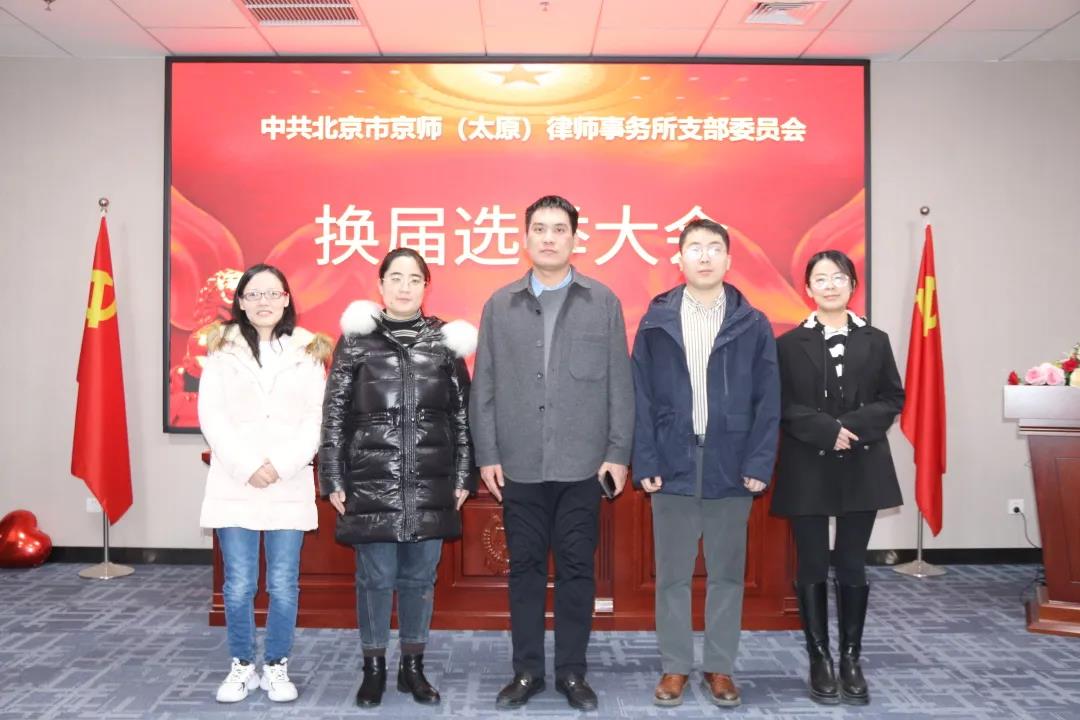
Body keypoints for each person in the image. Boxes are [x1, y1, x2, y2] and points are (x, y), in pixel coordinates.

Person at [470, 194, 634, 711]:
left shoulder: (602, 301)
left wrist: (618, 452)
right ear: (525, 238)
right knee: (524, 570)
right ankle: (526, 672)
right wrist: (487, 454)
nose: (548, 237)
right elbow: (484, 386)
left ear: (574, 238)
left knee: (577, 570)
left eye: (558, 229)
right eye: (539, 228)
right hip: (519, 464)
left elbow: (620, 384)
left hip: (583, 465)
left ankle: (571, 672)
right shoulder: (500, 305)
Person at [631, 218, 780, 708]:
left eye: (714, 248)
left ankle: (720, 666)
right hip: (671, 459)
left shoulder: (752, 323)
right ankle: (675, 666)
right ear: (678, 258)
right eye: (694, 247)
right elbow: (640, 396)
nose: (704, 256)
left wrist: (759, 460)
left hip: (731, 462)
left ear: (729, 260)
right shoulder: (656, 321)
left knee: (727, 574)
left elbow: (769, 400)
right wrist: (645, 458)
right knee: (672, 574)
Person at [319, 248, 477, 708]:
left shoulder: (444, 343)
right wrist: (333, 476)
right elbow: (334, 414)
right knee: (375, 577)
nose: (404, 287)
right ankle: (373, 669)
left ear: (426, 287)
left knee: (419, 579)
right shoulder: (356, 341)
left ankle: (413, 667)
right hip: (372, 480)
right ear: (381, 285)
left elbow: (462, 417)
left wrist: (463, 475)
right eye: (396, 278)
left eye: (414, 279)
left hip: (431, 481)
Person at [771, 249, 904, 706]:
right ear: (808, 288)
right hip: (808, 463)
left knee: (851, 562)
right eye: (821, 279)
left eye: (839, 277)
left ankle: (850, 657)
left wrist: (852, 428)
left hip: (862, 463)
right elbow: (781, 403)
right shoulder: (788, 344)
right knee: (811, 563)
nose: (830, 285)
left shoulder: (876, 339)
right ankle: (819, 658)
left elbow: (892, 398)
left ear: (852, 285)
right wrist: (827, 431)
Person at [197, 263, 330, 704]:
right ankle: (241, 664)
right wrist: (249, 465)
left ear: (287, 299)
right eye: (254, 294)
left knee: (283, 584)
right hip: (236, 481)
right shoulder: (221, 349)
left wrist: (282, 465)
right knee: (238, 584)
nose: (264, 302)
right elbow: (212, 415)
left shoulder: (308, 349)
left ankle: (276, 665)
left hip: (287, 482)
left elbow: (316, 417)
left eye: (273, 293)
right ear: (241, 302)